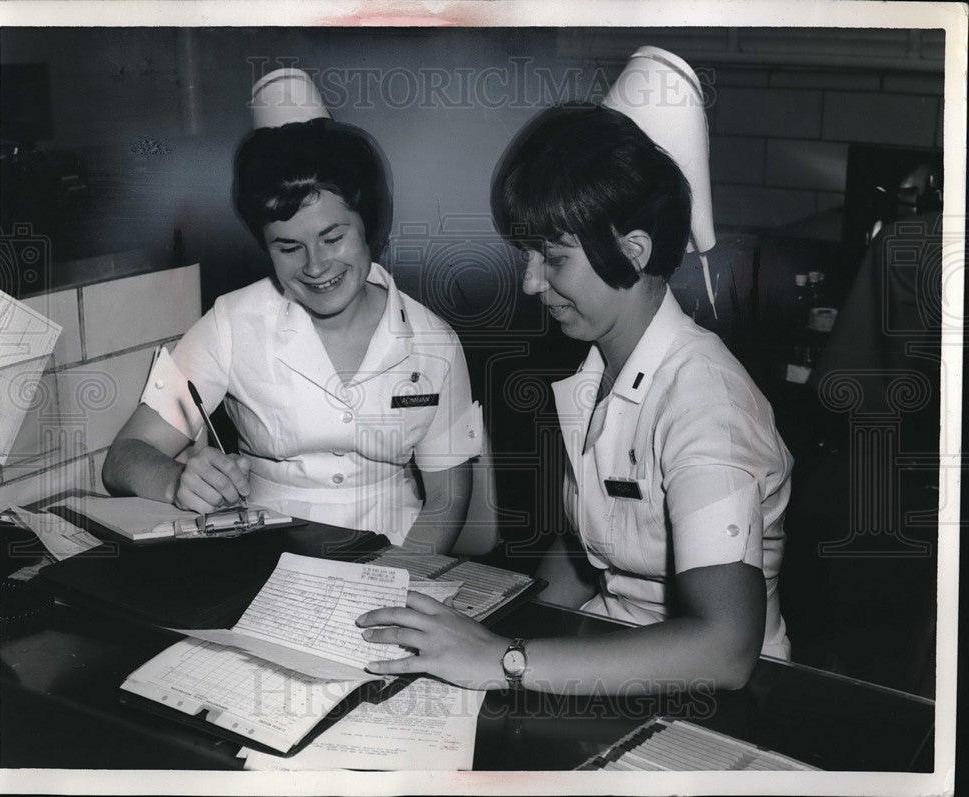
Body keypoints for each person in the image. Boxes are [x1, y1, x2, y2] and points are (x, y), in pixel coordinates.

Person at [357, 96, 793, 694]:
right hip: (603, 650)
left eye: (553, 259)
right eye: (527, 256)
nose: (531, 282)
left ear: (633, 252)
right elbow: (589, 543)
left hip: (708, 693)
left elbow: (725, 647)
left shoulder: (706, 404)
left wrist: (505, 659)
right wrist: (506, 623)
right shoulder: (596, 370)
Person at [103, 70, 482, 551]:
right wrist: (175, 479)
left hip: (400, 552)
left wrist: (395, 587)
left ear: (370, 224)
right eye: (288, 248)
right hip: (265, 558)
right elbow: (124, 455)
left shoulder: (435, 343)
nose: (316, 266)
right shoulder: (230, 324)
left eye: (333, 237)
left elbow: (447, 501)